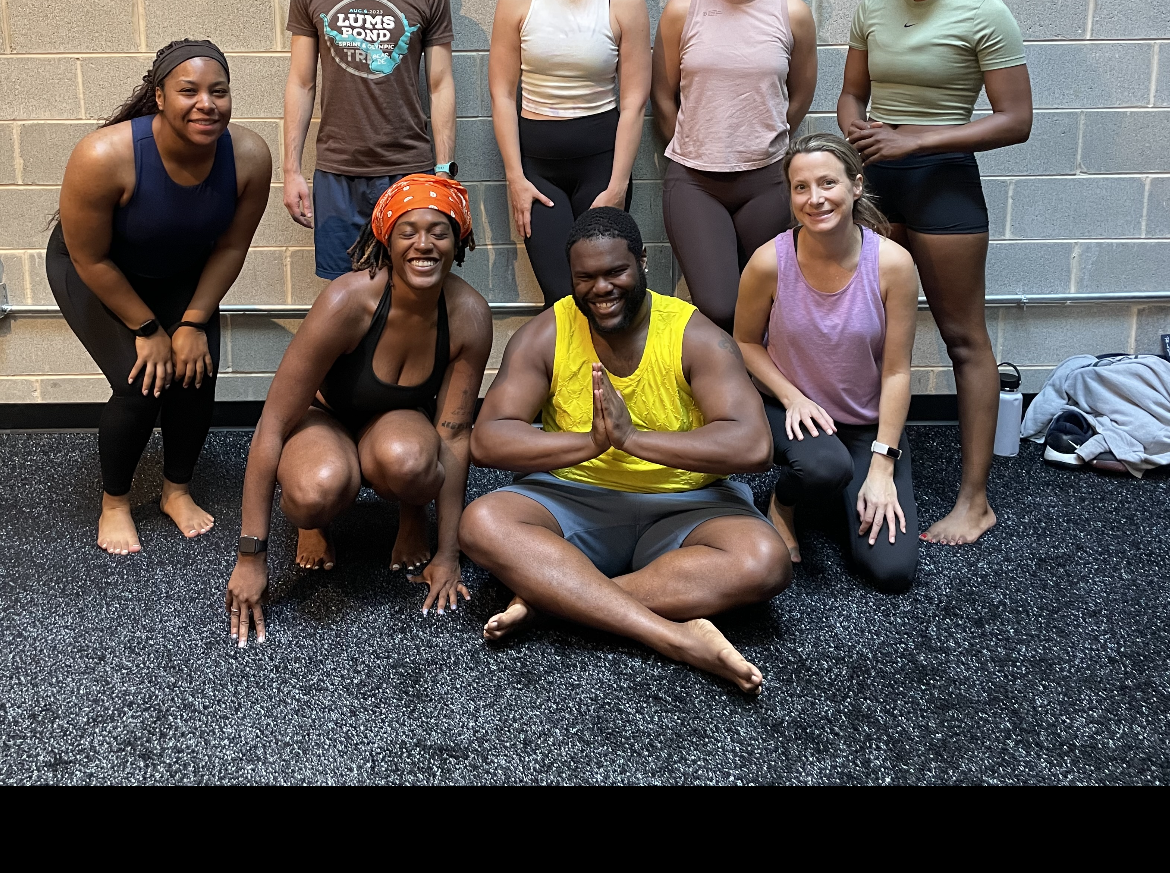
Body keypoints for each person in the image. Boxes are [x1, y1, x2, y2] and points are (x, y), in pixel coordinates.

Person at [460, 209, 790, 695]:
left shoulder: (693, 334)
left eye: (616, 272)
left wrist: (632, 439)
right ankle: (674, 637)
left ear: (643, 263)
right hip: (573, 498)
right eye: (585, 278)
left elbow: (754, 445)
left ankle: (554, 597)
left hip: (686, 506)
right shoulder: (548, 331)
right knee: (482, 522)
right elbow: (488, 439)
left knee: (765, 560)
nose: (601, 288)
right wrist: (590, 444)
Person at [837, 0, 1033, 546]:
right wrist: (859, 137)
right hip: (880, 181)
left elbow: (1017, 121)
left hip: (945, 183)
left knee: (962, 338)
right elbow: (850, 96)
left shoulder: (984, 11)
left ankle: (974, 501)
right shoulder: (872, 7)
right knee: (864, 329)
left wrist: (918, 137)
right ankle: (863, 467)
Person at [226, 174, 493, 645]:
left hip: (396, 421)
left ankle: (411, 517)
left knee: (412, 462)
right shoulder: (348, 301)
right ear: (386, 240)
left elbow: (452, 436)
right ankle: (314, 524)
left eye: (439, 231)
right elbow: (274, 422)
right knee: (316, 489)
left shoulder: (469, 314)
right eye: (408, 231)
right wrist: (251, 556)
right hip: (323, 417)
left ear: (460, 240)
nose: (423, 244)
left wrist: (447, 552)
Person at [47, 41, 272, 556]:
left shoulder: (250, 155)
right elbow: (91, 260)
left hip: (178, 270)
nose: (206, 104)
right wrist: (148, 331)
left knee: (195, 372)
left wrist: (191, 324)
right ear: (159, 97)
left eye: (219, 91)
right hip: (97, 269)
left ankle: (176, 490)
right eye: (188, 91)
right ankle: (116, 501)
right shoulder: (104, 155)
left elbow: (233, 245)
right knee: (142, 381)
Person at [734, 134, 920, 592]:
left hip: (863, 425)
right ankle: (783, 503)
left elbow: (897, 371)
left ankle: (845, 483)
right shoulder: (769, 262)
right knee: (823, 467)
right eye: (801, 187)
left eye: (827, 183)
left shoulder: (893, 264)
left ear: (856, 186)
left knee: (891, 572)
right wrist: (792, 396)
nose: (814, 198)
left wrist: (881, 468)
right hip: (789, 411)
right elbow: (743, 341)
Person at [652, 0, 818, 334]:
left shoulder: (792, 13)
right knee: (720, 305)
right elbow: (663, 97)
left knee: (767, 306)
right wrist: (697, 143)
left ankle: (756, 401)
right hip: (695, 183)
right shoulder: (681, 11)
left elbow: (800, 93)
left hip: (766, 180)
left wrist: (761, 135)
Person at [283, 0, 457, 282]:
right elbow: (302, 83)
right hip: (337, 173)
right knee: (344, 299)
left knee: (409, 294)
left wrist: (443, 171)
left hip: (408, 170)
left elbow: (439, 85)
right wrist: (290, 171)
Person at [488, 0, 652, 306]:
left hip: (602, 167)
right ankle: (566, 374)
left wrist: (618, 186)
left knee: (604, 290)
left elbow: (634, 103)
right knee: (562, 295)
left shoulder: (625, 2)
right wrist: (515, 179)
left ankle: (605, 374)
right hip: (537, 172)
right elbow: (502, 95)